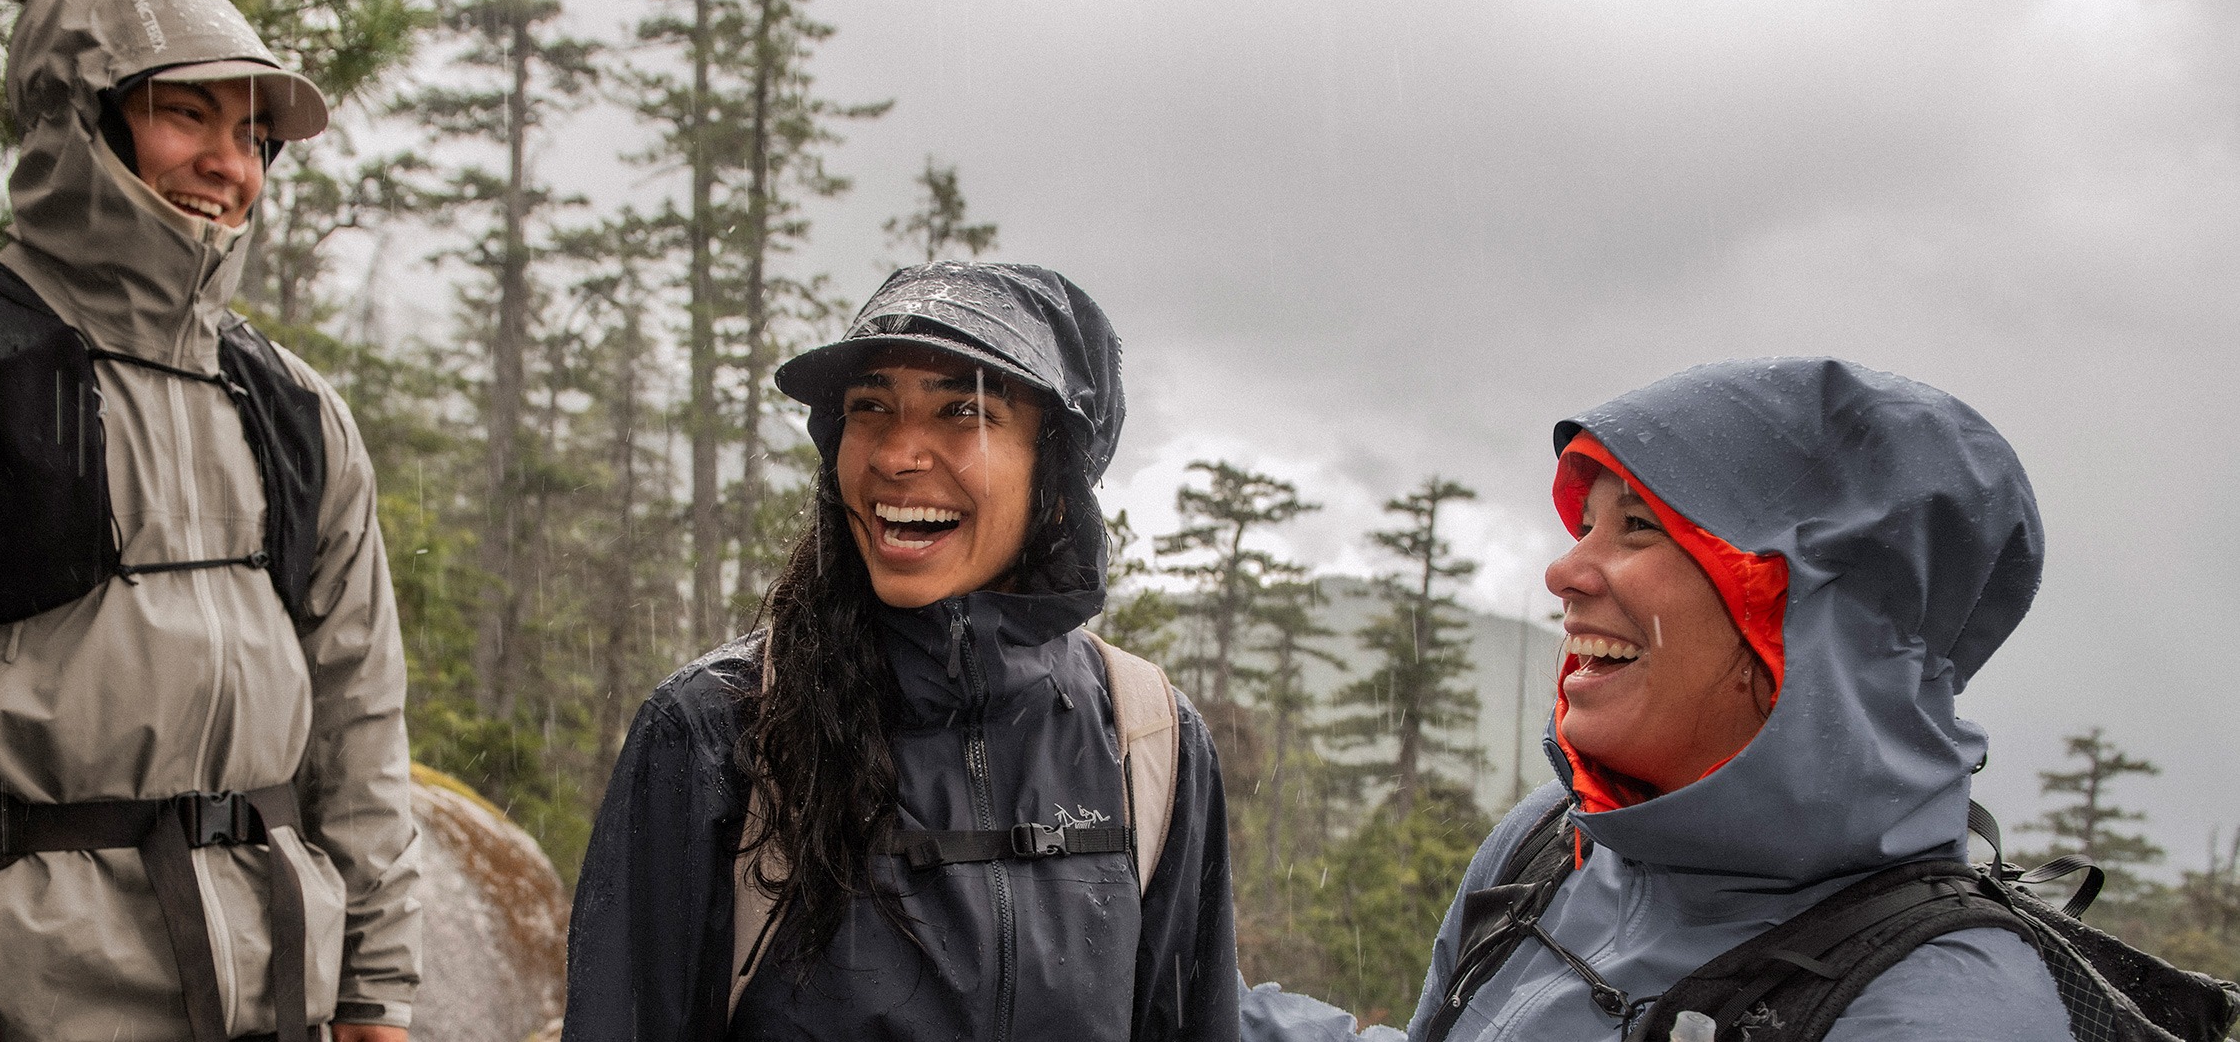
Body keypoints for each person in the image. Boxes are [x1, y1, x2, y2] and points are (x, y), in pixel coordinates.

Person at [0, 0, 418, 1039]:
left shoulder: (294, 409)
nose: (228, 163)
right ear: (77, 114)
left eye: (251, 134)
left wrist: (375, 986)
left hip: (278, 1010)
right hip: (8, 1012)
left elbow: (357, 726)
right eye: (186, 115)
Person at [561, 261, 1241, 1042]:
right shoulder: (718, 731)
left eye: (961, 409)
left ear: (1054, 473)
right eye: (871, 407)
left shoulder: (1150, 744)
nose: (896, 453)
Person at [1402, 357, 2068, 1041]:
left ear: (1811, 614)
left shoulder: (1945, 1012)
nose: (1562, 572)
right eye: (1585, 529)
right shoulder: (1551, 843)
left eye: (1638, 526)